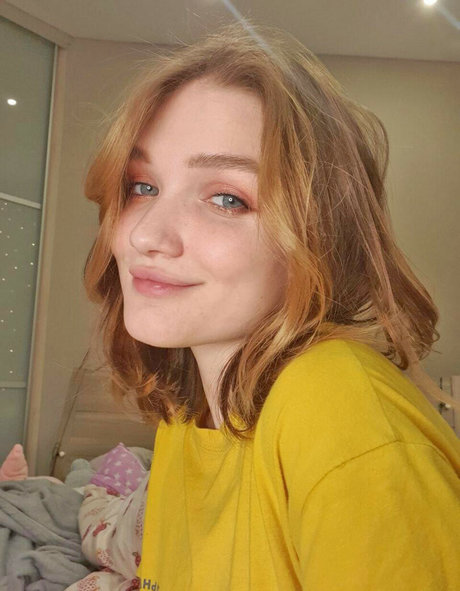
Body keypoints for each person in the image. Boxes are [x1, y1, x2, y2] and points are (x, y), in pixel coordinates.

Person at [79, 21, 460, 590]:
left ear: (319, 234)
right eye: (142, 186)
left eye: (226, 198)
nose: (145, 235)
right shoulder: (189, 409)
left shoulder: (342, 414)